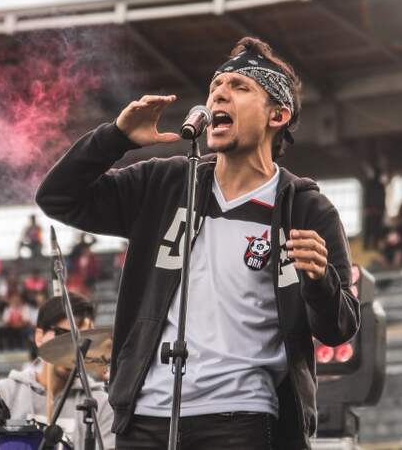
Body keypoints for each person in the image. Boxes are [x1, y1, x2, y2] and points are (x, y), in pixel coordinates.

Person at [35, 37, 360, 450]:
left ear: (278, 114)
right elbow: (58, 198)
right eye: (216, 86)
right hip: (145, 420)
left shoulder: (307, 210)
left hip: (242, 419)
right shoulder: (165, 183)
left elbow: (339, 328)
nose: (219, 93)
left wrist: (320, 281)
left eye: (240, 87)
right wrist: (115, 138)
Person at [0, 293, 115, 450]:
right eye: (63, 335)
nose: (72, 348)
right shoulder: (1, 395)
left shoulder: (102, 404)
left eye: (83, 340)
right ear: (39, 337)